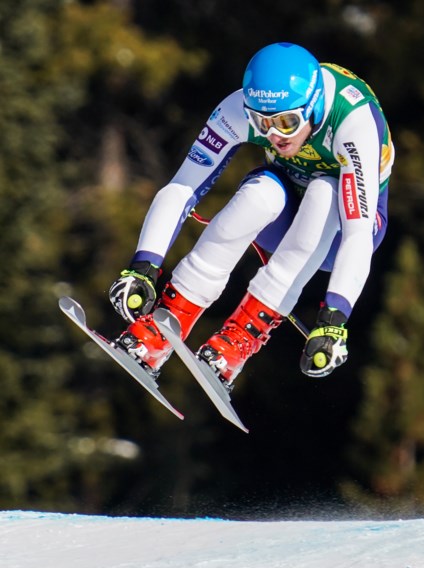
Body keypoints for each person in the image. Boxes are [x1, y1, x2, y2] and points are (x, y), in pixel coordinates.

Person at [107, 42, 393, 387]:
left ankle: (240, 339)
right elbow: (183, 185)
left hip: (340, 236)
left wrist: (335, 317)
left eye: (287, 122)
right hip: (283, 214)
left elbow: (357, 234)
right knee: (260, 194)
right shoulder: (237, 108)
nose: (274, 135)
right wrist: (143, 264)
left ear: (314, 106)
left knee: (325, 192)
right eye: (262, 122)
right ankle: (164, 325)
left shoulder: (353, 122)